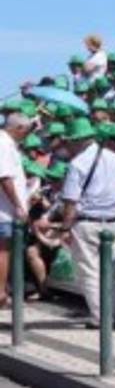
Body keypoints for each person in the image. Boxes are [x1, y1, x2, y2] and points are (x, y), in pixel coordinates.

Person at [58, 118, 115, 327]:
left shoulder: (77, 163)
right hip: (111, 221)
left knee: (89, 272)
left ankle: (102, 317)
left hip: (86, 222)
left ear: (77, 141)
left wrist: (65, 228)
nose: (68, 146)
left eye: (69, 142)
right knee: (113, 270)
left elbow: (70, 200)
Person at [0, 112, 32, 309]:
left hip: (6, 209)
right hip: (4, 211)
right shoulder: (3, 144)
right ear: (18, 128)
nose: (27, 135)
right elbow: (4, 177)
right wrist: (19, 205)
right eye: (26, 132)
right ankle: (0, 292)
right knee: (3, 251)